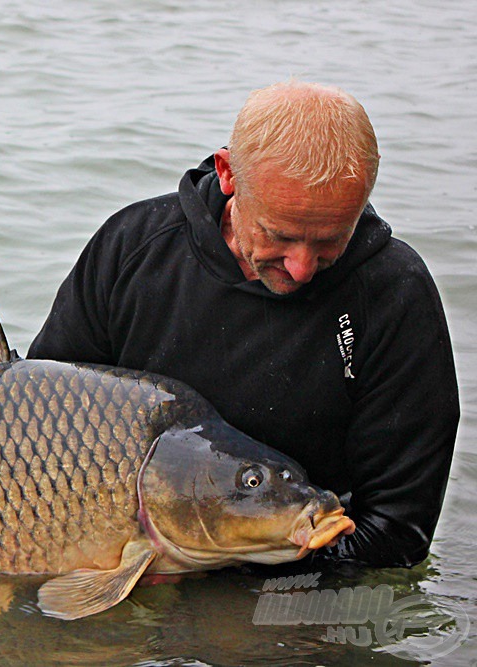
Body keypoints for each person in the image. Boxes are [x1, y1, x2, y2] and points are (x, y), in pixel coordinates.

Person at [27, 80, 459, 568]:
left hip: (303, 569)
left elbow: (398, 532)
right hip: (132, 551)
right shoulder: (134, 248)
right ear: (228, 173)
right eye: (281, 235)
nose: (301, 267)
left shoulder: (393, 293)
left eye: (329, 242)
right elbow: (38, 419)